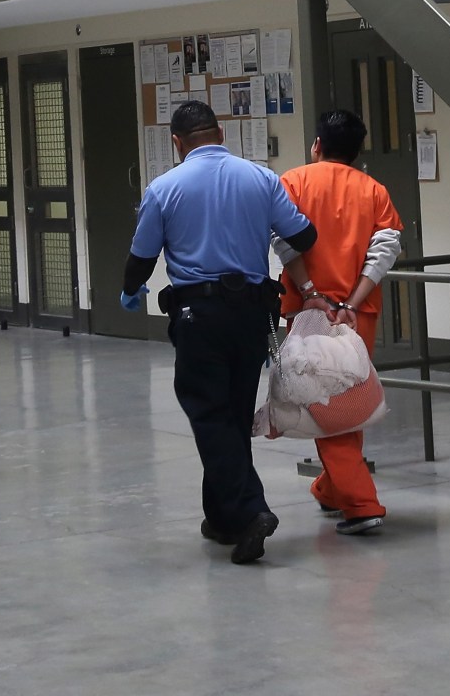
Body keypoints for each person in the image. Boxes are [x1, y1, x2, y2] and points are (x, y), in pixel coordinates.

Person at [122, 99, 317, 565]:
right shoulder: (261, 178)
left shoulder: (164, 188)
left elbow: (142, 256)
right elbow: (303, 235)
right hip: (252, 315)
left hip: (199, 317)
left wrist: (131, 289)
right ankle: (223, 516)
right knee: (230, 414)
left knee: (210, 416)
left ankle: (251, 511)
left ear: (177, 143)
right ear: (221, 135)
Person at [275, 110, 404, 536]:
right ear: (357, 151)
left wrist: (311, 290)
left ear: (317, 145)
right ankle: (331, 490)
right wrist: (352, 301)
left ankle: (361, 505)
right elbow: (385, 249)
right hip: (356, 314)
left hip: (308, 311)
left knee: (326, 404)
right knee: (348, 398)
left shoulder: (293, 182)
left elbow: (284, 241)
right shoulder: (374, 190)